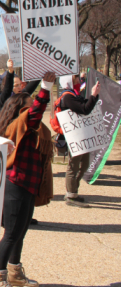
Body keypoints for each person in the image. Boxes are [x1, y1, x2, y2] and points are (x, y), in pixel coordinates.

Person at [0, 72, 57, 287]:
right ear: (21, 109)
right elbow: (36, 110)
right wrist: (46, 86)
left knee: (21, 231)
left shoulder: (24, 123)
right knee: (12, 234)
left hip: (28, 183)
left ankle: (15, 272)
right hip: (16, 183)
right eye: (28, 105)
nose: (33, 108)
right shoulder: (21, 123)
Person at [52, 74, 100, 207]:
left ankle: (73, 189)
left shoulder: (74, 94)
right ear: (71, 81)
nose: (80, 80)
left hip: (82, 135)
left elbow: (86, 106)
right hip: (74, 137)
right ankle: (71, 195)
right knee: (74, 165)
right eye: (77, 78)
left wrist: (94, 96)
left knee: (84, 165)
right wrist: (93, 95)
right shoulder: (68, 97)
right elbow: (85, 109)